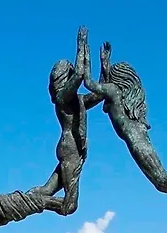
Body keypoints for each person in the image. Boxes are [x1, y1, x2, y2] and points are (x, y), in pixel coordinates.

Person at [83, 37, 167, 198]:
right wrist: (105, 63)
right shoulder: (118, 95)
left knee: (161, 179)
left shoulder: (112, 91)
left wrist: (84, 56)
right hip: (139, 138)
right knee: (162, 179)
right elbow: (104, 84)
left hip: (137, 143)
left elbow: (89, 83)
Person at [29, 27, 105, 216]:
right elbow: (79, 75)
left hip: (71, 150)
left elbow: (98, 94)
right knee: (69, 206)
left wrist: (104, 65)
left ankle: (27, 198)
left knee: (46, 190)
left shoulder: (77, 101)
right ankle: (29, 202)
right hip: (70, 149)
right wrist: (81, 46)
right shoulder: (63, 98)